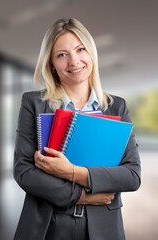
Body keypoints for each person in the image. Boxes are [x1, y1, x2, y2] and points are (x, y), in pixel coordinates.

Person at [13, 18, 141, 240]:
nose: (73, 61)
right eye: (61, 54)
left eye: (80, 49)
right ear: (51, 63)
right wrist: (82, 196)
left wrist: (70, 172)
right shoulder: (34, 103)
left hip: (104, 225)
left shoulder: (116, 106)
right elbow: (24, 172)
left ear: (91, 53)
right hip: (47, 225)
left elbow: (131, 176)